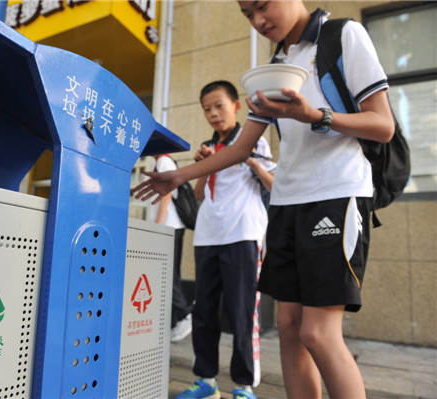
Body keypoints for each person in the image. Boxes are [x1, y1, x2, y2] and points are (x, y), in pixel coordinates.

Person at [134, 2, 395, 399]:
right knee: (289, 329)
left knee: (318, 333)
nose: (258, 22)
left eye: (262, 6)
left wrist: (316, 115)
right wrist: (180, 176)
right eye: (246, 15)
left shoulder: (342, 36)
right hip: (286, 204)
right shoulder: (276, 64)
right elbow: (241, 148)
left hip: (337, 196)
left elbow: (383, 125)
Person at [176, 81, 275, 399]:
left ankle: (244, 386)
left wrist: (249, 159)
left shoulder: (254, 140)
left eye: (219, 105)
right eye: (207, 108)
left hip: (243, 235)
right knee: (203, 310)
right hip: (207, 236)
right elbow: (199, 194)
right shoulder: (208, 144)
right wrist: (202, 164)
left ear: (236, 105)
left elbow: (274, 185)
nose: (213, 113)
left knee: (241, 311)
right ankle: (206, 381)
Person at [152, 154, 193, 342]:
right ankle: (176, 320)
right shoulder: (161, 162)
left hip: (169, 227)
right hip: (172, 227)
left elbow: (166, 193)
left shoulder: (163, 161)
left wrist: (158, 225)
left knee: (167, 275)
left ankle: (184, 315)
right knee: (168, 274)